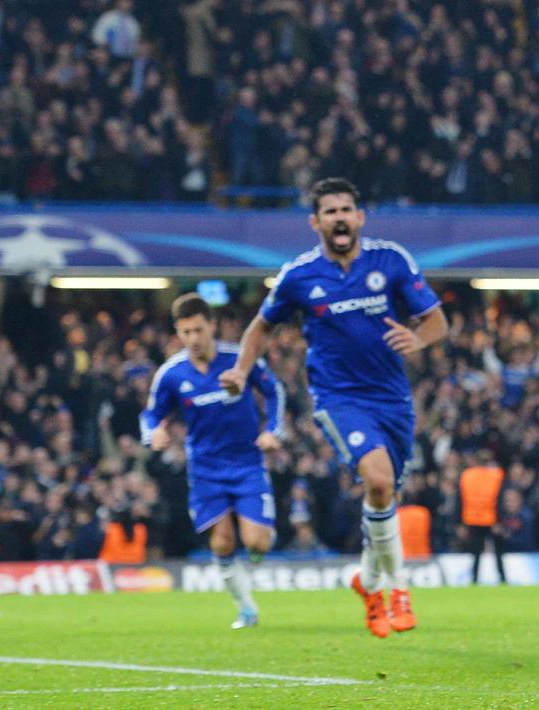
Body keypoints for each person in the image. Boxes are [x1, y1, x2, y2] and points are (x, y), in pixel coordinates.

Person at [221, 177, 447, 638]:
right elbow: (259, 328)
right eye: (330, 211)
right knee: (379, 481)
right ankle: (398, 589)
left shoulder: (392, 260)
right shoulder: (298, 276)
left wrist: (419, 339)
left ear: (360, 217)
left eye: (347, 209)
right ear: (315, 222)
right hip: (339, 398)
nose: (340, 218)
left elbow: (436, 321)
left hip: (393, 400)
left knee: (383, 495)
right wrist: (242, 372)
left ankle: (367, 582)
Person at [141, 293, 285, 629]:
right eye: (185, 332)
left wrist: (273, 429)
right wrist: (154, 434)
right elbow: (151, 414)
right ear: (178, 332)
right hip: (205, 467)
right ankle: (246, 607)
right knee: (221, 541)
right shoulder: (172, 373)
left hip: (247, 460)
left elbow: (274, 390)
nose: (192, 338)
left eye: (198, 330)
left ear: (212, 326)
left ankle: (255, 552)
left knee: (257, 543)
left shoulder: (240, 360)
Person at [460, 452, 506, 584]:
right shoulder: (496, 475)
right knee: (498, 553)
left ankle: (474, 579)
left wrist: (460, 522)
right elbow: (500, 499)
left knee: (476, 553)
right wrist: (499, 520)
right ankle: (502, 578)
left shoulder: (467, 475)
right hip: (491, 519)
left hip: (472, 519)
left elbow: (461, 499)